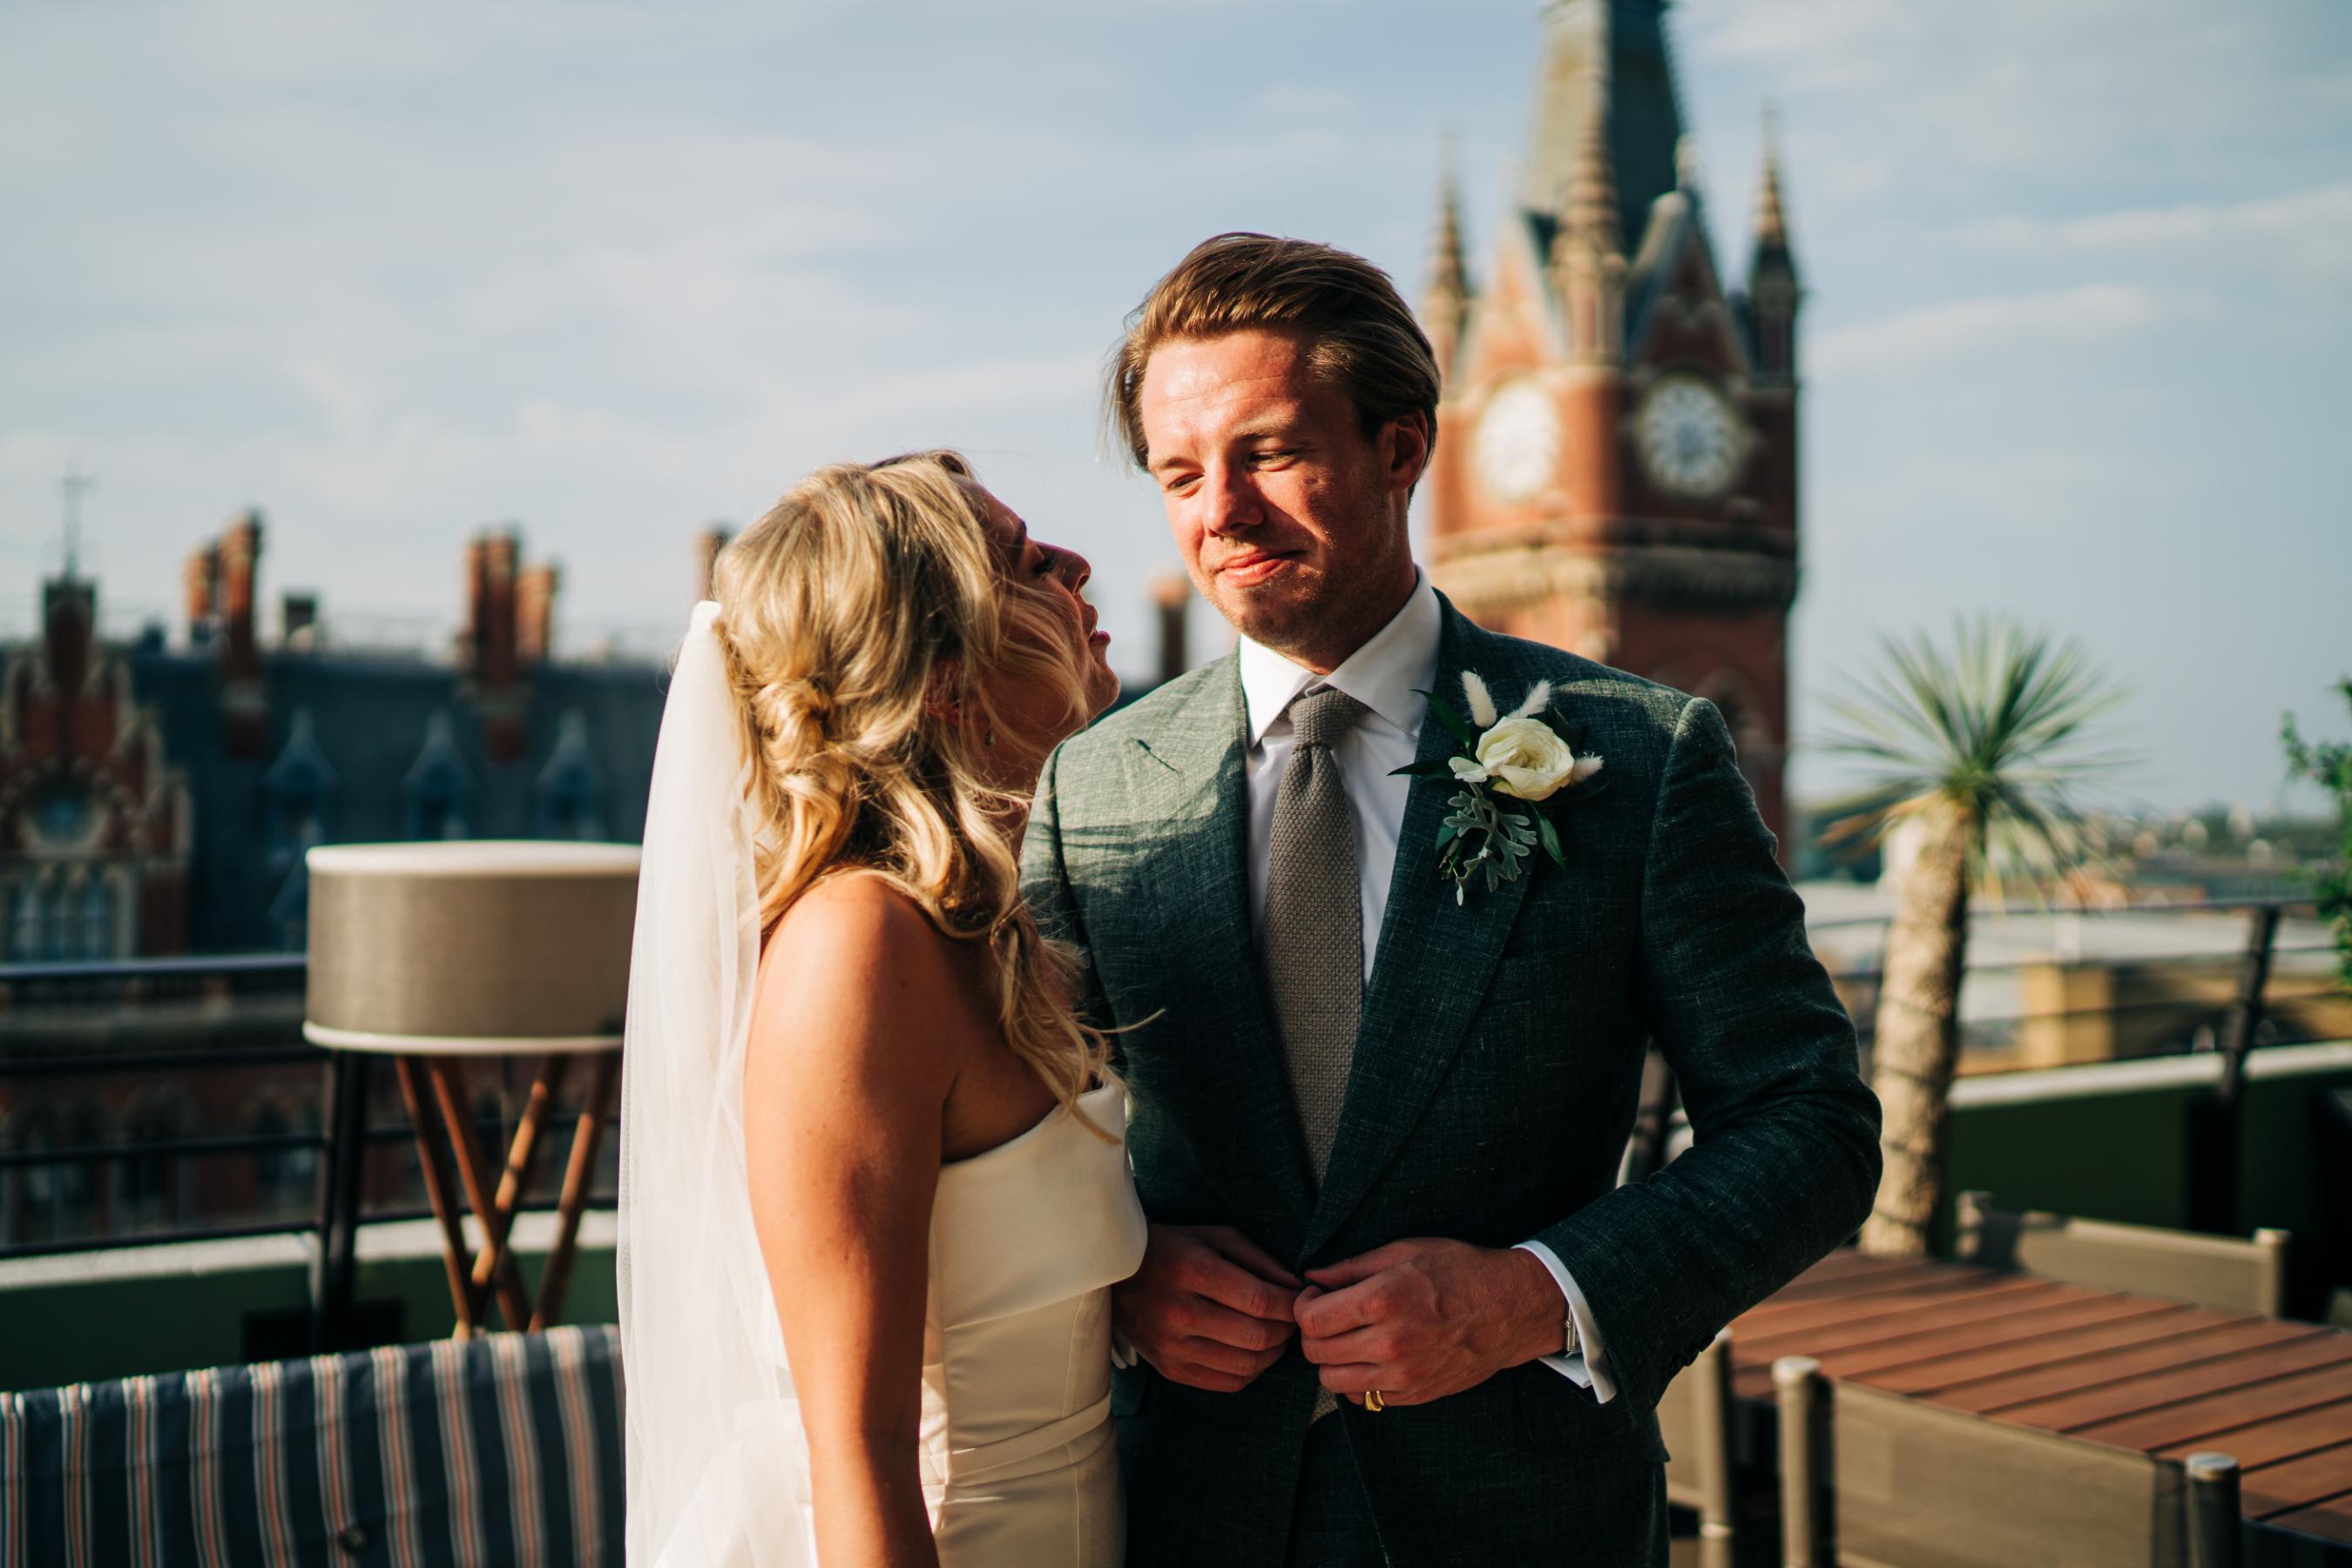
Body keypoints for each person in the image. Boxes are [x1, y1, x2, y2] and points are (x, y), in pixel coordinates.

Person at [1021, 233, 1883, 1566]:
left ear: (1403, 449)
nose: (1222, 514)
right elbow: (1020, 1136)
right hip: (1183, 1510)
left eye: (1271, 454)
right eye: (1181, 475)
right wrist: (1124, 1279)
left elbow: (1812, 1126)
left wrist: (1534, 1297)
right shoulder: (1095, 785)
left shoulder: (1639, 757)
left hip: (1521, 1515)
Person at [619, 451, 1145, 1566]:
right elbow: (860, 1458)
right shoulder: (859, 951)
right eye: (1024, 561)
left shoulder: (987, 925)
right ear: (943, 673)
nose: (1079, 564)